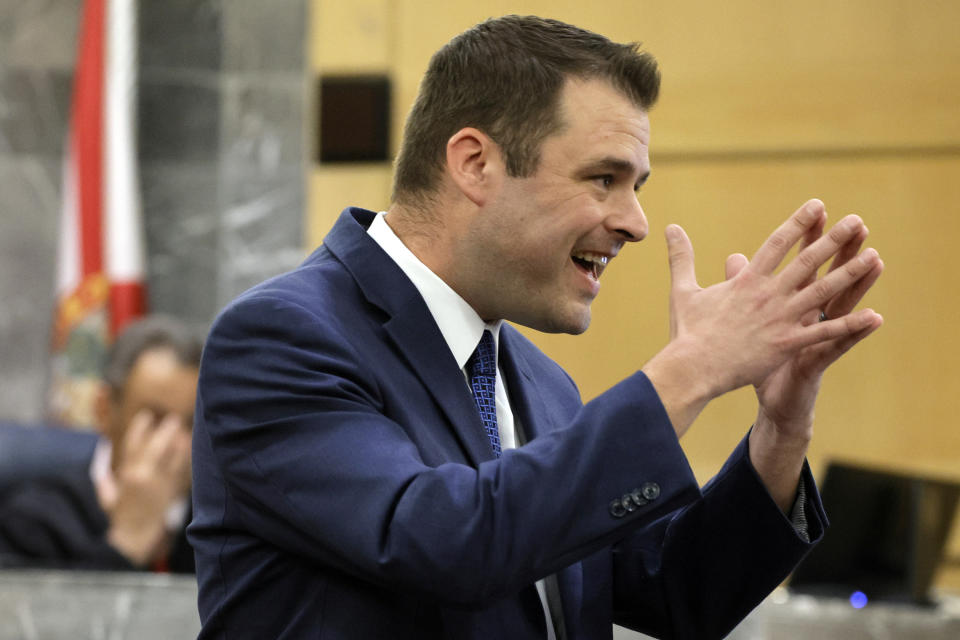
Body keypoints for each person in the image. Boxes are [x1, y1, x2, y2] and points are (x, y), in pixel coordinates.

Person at [190, 15, 884, 639]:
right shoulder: (282, 338)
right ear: (475, 164)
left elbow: (675, 593)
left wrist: (780, 431)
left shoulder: (542, 385)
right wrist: (691, 368)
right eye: (604, 178)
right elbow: (444, 541)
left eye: (636, 186)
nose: (634, 222)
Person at [0, 315, 200, 573]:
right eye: (155, 421)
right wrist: (126, 543)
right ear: (104, 410)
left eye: (192, 424)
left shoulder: (226, 524)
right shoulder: (34, 520)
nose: (179, 444)